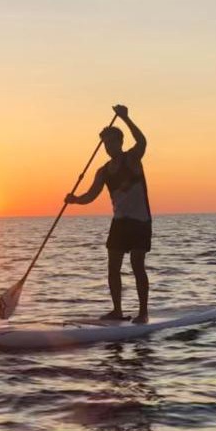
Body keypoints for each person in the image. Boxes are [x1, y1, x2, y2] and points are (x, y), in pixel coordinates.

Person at [65, 104, 152, 324]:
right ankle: (117, 311)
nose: (108, 147)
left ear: (120, 142)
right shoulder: (103, 171)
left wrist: (126, 118)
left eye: (112, 142)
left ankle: (143, 313)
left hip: (140, 222)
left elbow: (142, 141)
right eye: (105, 143)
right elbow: (91, 195)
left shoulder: (132, 159)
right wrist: (74, 200)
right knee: (113, 267)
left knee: (136, 264)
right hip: (120, 223)